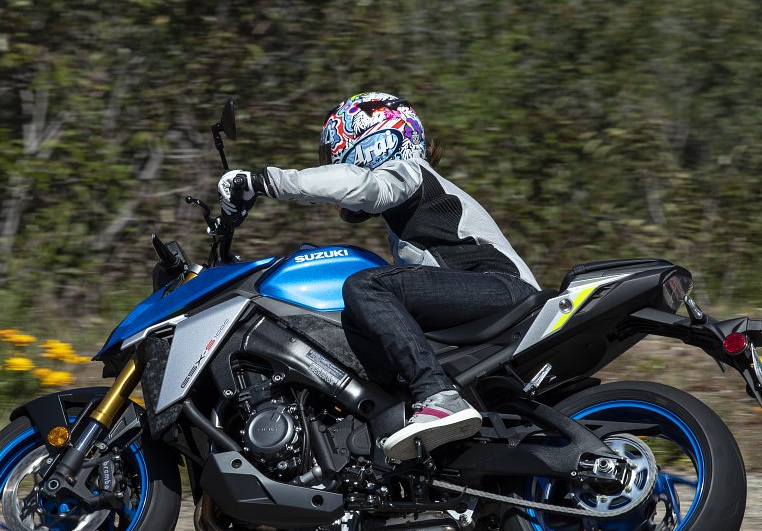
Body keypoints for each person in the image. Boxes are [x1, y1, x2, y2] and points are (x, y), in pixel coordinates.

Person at [217, 91, 539, 461]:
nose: (333, 163)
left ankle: (439, 397)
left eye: (335, 152)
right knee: (363, 312)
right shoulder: (409, 198)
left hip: (503, 288)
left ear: (369, 142)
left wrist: (264, 181)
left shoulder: (409, 172)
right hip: (489, 293)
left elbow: (363, 186)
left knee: (366, 283)